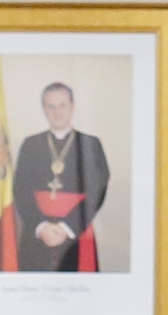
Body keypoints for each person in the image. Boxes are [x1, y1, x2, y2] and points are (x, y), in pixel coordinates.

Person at [10, 81, 111, 273]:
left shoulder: (90, 144)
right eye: (51, 106)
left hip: (77, 232)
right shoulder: (31, 145)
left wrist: (67, 227)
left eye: (62, 105)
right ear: (44, 109)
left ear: (72, 106)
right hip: (38, 233)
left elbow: (97, 190)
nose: (57, 112)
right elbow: (20, 190)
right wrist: (42, 226)